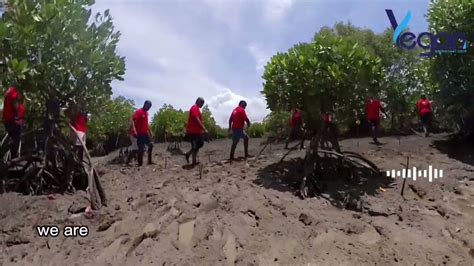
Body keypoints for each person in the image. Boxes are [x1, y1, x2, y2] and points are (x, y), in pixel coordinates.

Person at [2, 85, 25, 159]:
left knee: (13, 138)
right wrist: (18, 115)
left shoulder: (9, 90)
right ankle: (13, 160)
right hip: (13, 120)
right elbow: (14, 102)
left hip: (8, 119)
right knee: (15, 140)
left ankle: (11, 159)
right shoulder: (13, 91)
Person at [184, 97, 207, 167]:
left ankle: (188, 154)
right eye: (201, 103)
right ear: (197, 101)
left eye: (203, 103)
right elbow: (196, 119)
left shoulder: (197, 109)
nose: (202, 105)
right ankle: (193, 162)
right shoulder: (194, 108)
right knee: (195, 146)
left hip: (197, 132)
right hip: (192, 132)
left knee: (200, 144)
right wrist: (204, 128)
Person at [132, 100, 154, 166]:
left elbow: (146, 124)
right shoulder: (139, 111)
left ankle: (149, 161)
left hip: (145, 133)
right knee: (140, 149)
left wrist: (150, 132)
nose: (149, 108)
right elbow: (133, 121)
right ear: (145, 104)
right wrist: (134, 130)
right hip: (139, 134)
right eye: (148, 106)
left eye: (150, 107)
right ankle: (140, 164)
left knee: (151, 145)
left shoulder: (146, 113)